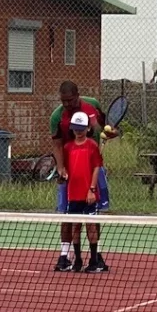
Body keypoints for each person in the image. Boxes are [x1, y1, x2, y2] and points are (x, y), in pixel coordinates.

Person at [49, 80, 115, 271]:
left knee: (94, 217)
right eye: (63, 101)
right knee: (67, 215)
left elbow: (106, 127)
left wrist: (111, 133)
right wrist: (61, 168)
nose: (66, 104)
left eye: (69, 100)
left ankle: (97, 256)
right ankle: (65, 256)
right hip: (71, 171)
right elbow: (57, 145)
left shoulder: (92, 105)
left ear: (77, 95)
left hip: (93, 168)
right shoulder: (57, 116)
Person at [61, 111, 108, 273]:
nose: (78, 131)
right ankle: (78, 260)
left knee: (91, 227)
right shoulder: (67, 147)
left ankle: (94, 261)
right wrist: (63, 174)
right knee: (75, 227)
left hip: (89, 194)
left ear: (88, 128)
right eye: (76, 128)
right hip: (73, 194)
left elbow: (96, 168)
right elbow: (64, 168)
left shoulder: (92, 146)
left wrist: (92, 190)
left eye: (81, 128)